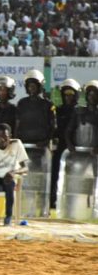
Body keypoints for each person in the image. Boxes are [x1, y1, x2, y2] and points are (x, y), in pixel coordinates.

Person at [51, 79, 81, 209]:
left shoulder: (80, 111)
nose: (68, 97)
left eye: (71, 95)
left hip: (74, 149)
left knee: (73, 177)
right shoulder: (56, 110)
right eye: (66, 94)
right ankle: (53, 202)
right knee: (55, 174)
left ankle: (71, 204)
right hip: (59, 148)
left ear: (76, 96)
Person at [15, 69, 56, 147]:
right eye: (30, 86)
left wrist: (47, 140)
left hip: (42, 145)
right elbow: (17, 125)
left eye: (34, 86)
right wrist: (16, 142)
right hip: (24, 144)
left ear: (39, 86)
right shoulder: (21, 103)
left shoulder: (49, 104)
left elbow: (53, 125)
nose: (32, 88)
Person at [65, 80, 98, 156]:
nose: (92, 98)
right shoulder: (78, 111)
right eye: (90, 95)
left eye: (95, 95)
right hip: (79, 151)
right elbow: (68, 131)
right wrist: (69, 144)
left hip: (95, 154)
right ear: (87, 96)